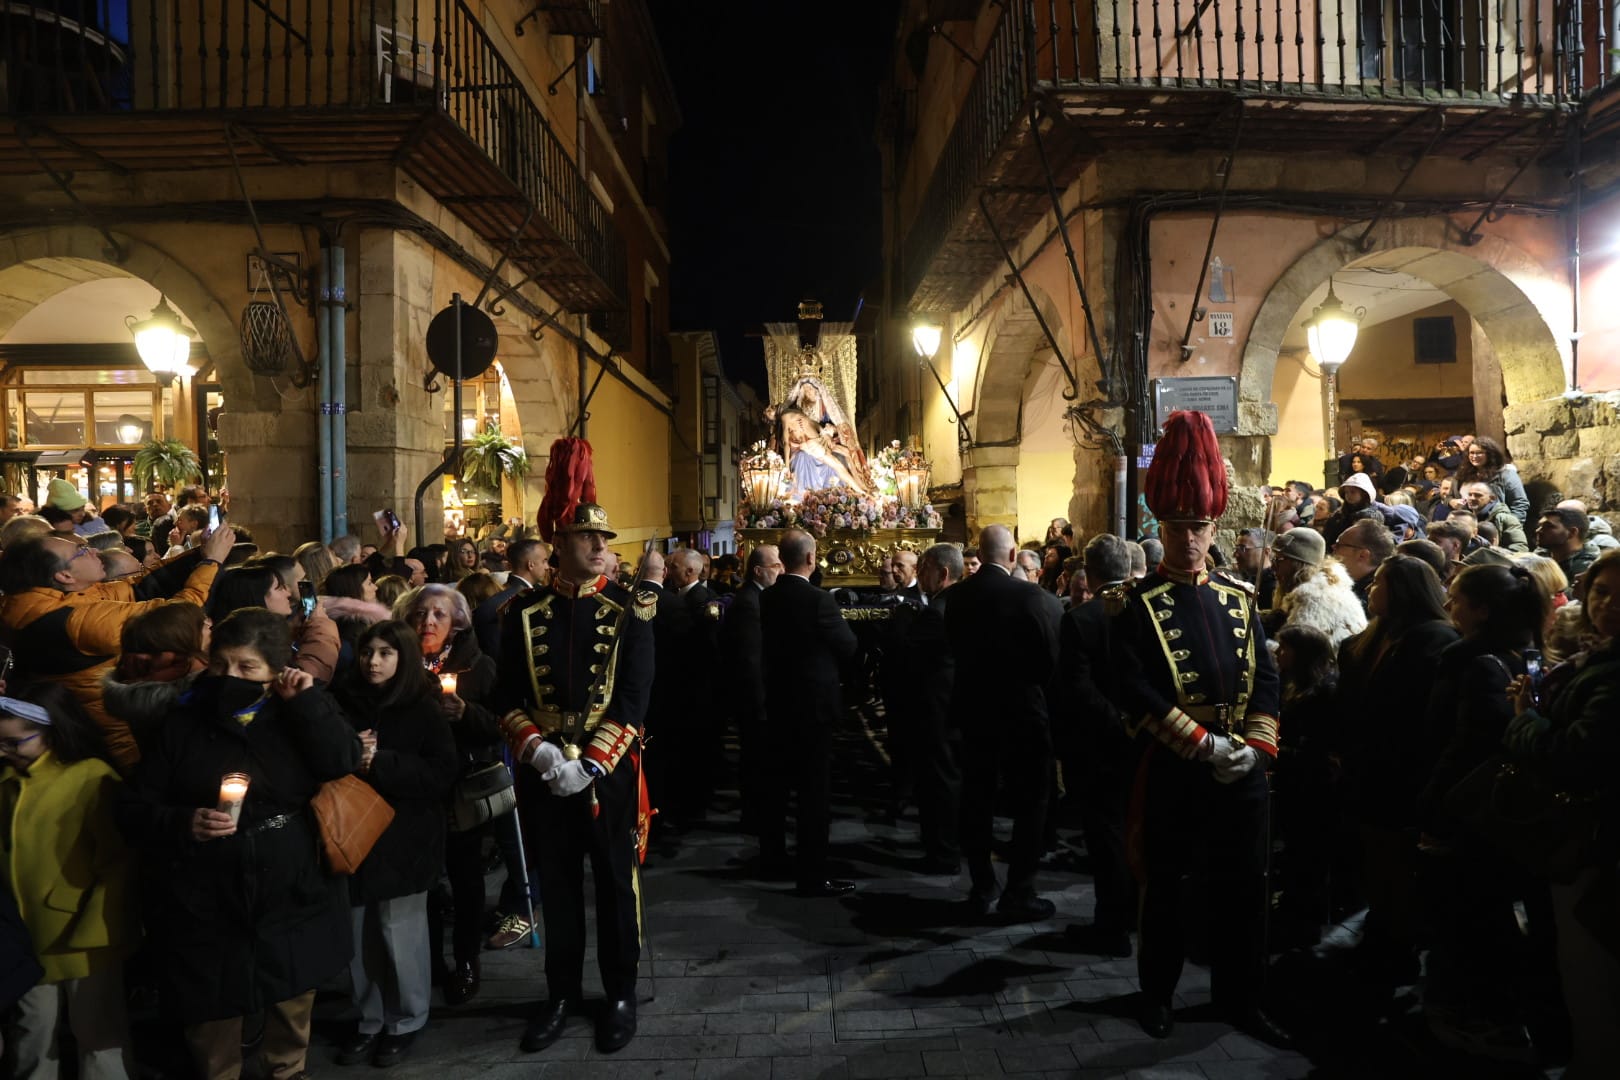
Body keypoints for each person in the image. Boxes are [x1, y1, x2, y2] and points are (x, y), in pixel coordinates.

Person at [1104, 410, 1285, 1044]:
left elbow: (1265, 676)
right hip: (1178, 766)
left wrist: (1257, 746)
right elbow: (1135, 689)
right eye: (1179, 528)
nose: (1189, 540)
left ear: (1215, 528)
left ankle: (1243, 998)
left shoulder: (1239, 597)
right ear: (1162, 527)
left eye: (1200, 527)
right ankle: (1156, 994)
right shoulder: (1134, 606)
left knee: (1245, 891)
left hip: (1242, 769)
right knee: (1169, 889)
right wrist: (1203, 744)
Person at [121, 609, 360, 1080]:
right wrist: (185, 822)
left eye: (247, 668)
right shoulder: (182, 720)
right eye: (221, 665)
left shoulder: (297, 711)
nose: (231, 677)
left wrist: (306, 704)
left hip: (290, 888)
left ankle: (287, 1073)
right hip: (206, 897)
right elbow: (134, 806)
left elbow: (341, 759)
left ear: (276, 670)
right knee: (212, 1015)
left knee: (291, 1002)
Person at [493, 443, 654, 1056]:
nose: (598, 546)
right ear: (559, 543)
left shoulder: (630, 610)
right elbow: (506, 696)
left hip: (604, 773)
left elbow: (634, 700)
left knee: (616, 886)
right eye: (586, 536)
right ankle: (560, 992)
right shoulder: (522, 613)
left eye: (603, 538)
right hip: (544, 773)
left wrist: (590, 761)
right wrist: (537, 752)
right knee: (555, 887)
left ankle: (619, 993)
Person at [1417, 564, 1546, 1059]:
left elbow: (1461, 740)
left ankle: (1472, 1016)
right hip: (1502, 812)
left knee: (1467, 916)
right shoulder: (1528, 653)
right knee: (1488, 914)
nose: (1449, 607)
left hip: (1468, 811)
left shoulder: (1467, 659)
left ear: (1482, 610)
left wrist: (1432, 804)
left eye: (1457, 599)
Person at [1501, 549, 1620, 1077]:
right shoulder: (1598, 660)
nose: (1608, 604)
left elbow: (1574, 757)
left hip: (1596, 845)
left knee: (1592, 977)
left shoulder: (1611, 675)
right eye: (1600, 591)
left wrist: (1526, 719)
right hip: (1587, 841)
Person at [331, 621, 458, 1068]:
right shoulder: (343, 701)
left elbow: (442, 773)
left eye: (386, 653)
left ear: (402, 658)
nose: (373, 662)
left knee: (397, 930)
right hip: (351, 832)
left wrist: (380, 762)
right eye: (368, 652)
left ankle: (405, 1018)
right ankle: (369, 1019)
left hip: (406, 836)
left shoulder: (422, 708)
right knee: (357, 931)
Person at [1, 528, 231, 770]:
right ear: (64, 576)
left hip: (96, 726)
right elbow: (180, 619)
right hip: (120, 737)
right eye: (80, 551)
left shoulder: (36, 601)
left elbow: (140, 587)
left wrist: (199, 554)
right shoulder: (73, 619)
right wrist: (212, 561)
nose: (93, 550)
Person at [1335, 555, 1459, 993]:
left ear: (1404, 590)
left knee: (1397, 865)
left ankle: (1395, 950)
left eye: (1380, 584)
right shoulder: (1379, 635)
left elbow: (1421, 714)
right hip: (1370, 771)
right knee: (1377, 861)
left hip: (1401, 776)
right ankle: (1381, 933)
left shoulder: (1433, 640)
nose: (1371, 590)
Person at [1, 686, 138, 1079]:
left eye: (13, 743)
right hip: (26, 940)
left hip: (83, 937)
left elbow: (117, 861)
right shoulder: (8, 782)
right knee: (31, 1035)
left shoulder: (91, 778)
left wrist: (95, 928)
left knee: (98, 1035)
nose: (2, 751)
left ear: (53, 732)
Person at [947, 523, 1060, 921]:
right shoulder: (1031, 596)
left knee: (977, 799)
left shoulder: (956, 597)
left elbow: (952, 649)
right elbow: (1049, 656)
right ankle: (1020, 890)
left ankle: (982, 886)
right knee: (1031, 801)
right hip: (1022, 712)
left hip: (975, 711)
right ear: (1013, 556)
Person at [393, 583, 499, 1007]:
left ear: (457, 621)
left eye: (438, 614)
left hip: (461, 789)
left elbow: (500, 723)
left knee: (466, 877)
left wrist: (467, 714)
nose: (428, 622)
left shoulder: (479, 666)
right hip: (415, 790)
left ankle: (467, 959)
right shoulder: (397, 661)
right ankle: (431, 960)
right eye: (420, 614)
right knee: (425, 881)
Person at [759, 528, 858, 896]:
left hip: (779, 701)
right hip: (813, 708)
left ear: (782, 560)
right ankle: (812, 874)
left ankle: (772, 857)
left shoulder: (768, 599)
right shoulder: (819, 601)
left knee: (778, 786)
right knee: (814, 794)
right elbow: (847, 646)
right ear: (813, 559)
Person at [1057, 534, 1137, 957]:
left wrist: (1116, 723)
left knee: (1105, 837)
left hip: (1097, 746)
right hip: (1147, 738)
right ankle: (1136, 913)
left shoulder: (1082, 619)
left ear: (1089, 572)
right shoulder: (1147, 611)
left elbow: (1076, 688)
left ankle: (1111, 926)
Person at [894, 543, 962, 873]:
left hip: (937, 710)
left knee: (938, 782)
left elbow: (911, 661)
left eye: (926, 569)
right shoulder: (962, 604)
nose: (920, 575)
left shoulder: (936, 613)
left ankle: (943, 852)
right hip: (953, 708)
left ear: (944, 573)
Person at [718, 544, 782, 837]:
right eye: (775, 566)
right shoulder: (748, 602)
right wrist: (761, 705)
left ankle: (757, 812)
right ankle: (754, 816)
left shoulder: (757, 598)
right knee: (755, 759)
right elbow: (750, 659)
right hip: (753, 700)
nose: (780, 570)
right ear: (758, 571)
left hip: (754, 698)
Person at [1267, 528, 1367, 648]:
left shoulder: (1315, 597)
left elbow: (1295, 652)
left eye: (1279, 560)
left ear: (1297, 564)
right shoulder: (1325, 586)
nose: (1273, 567)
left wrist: (1260, 644)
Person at [473, 537, 549, 657]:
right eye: (544, 561)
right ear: (531, 565)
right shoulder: (522, 599)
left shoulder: (495, 599)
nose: (547, 567)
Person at [1454, 435, 1530, 522]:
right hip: (1470, 526)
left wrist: (1510, 526)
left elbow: (1520, 503)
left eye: (1479, 453)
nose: (1474, 456)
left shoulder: (1506, 473)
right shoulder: (1465, 474)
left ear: (1490, 454)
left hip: (1496, 525)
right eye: (1471, 453)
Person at [1535, 506, 1600, 594]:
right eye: (1540, 526)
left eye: (1548, 526)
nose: (1538, 530)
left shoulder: (1587, 568)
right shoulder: (1540, 556)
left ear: (1572, 532)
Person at [1460, 481, 1530, 553]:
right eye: (1470, 494)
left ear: (1492, 498)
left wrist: (1494, 553)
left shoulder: (1505, 519)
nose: (1472, 498)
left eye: (1478, 495)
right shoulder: (1464, 517)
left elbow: (1520, 548)